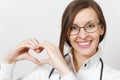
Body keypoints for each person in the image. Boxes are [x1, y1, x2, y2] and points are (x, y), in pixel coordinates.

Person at [0, 0, 120, 80]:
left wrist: (65, 71)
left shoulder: (114, 77)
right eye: (73, 28)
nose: (82, 35)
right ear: (67, 33)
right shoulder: (45, 71)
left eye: (90, 26)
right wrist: (7, 62)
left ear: (101, 29)